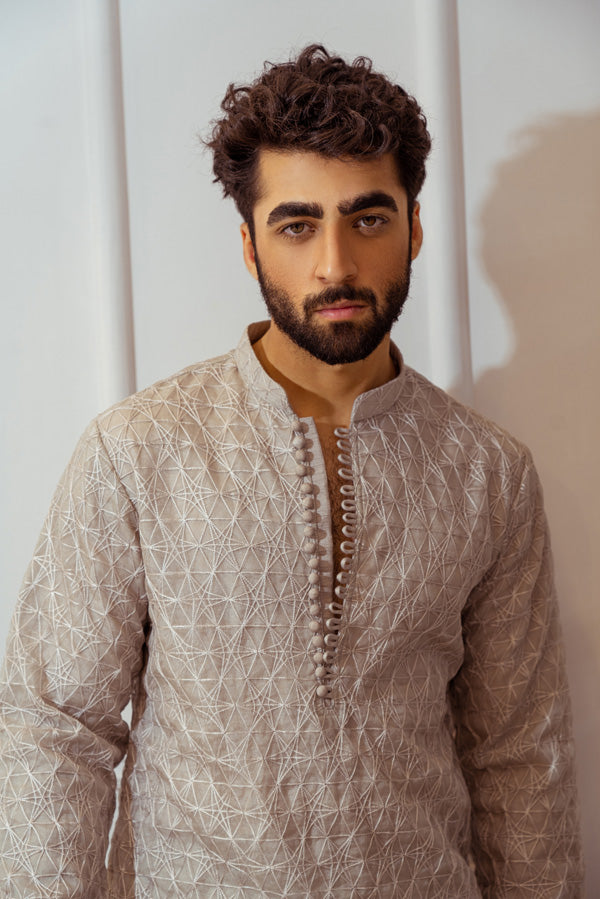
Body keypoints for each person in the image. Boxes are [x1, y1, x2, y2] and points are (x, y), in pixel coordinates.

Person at [0, 44, 582, 898]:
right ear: (249, 245)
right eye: (297, 225)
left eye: (369, 219)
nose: (335, 265)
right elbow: (55, 729)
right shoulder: (140, 449)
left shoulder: (488, 473)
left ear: (415, 228)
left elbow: (520, 756)